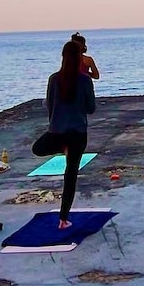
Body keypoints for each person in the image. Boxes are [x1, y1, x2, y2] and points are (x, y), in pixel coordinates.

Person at [37, 40, 97, 227]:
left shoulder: (54, 79)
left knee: (37, 148)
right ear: (80, 57)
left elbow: (49, 105)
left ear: (63, 57)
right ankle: (63, 218)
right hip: (78, 133)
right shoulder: (84, 80)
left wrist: (55, 124)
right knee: (70, 175)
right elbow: (91, 108)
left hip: (58, 132)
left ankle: (63, 147)